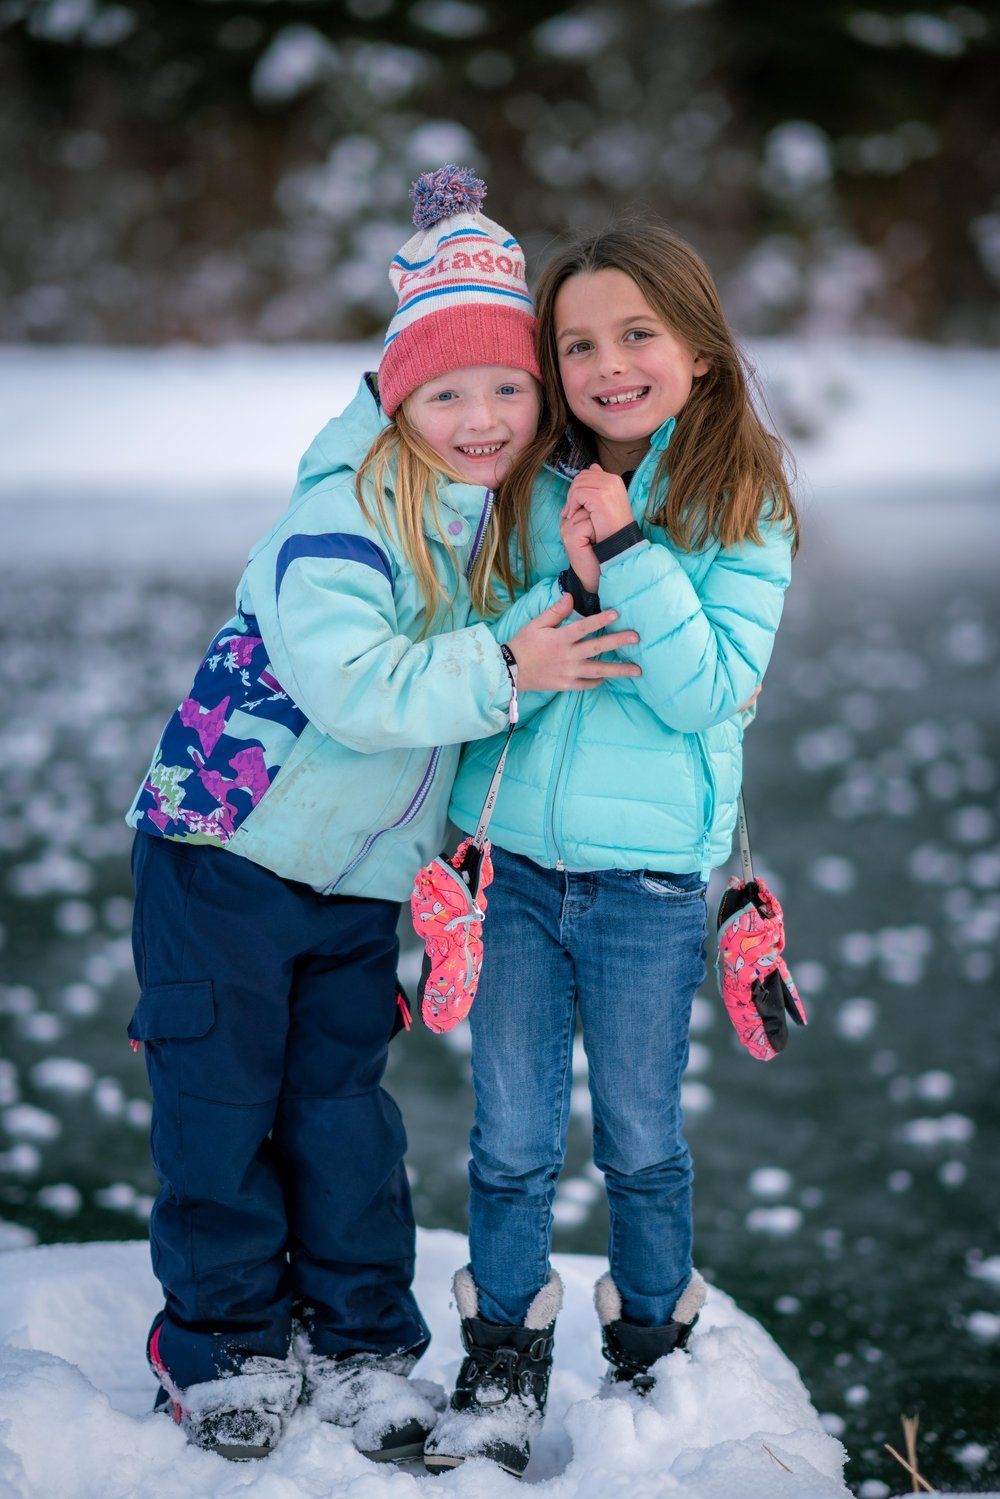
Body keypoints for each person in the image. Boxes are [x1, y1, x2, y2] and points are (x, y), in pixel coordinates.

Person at [124, 169, 641, 1464]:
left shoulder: (482, 518)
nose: (481, 414)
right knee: (220, 1098)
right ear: (395, 396)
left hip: (356, 878)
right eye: (448, 390)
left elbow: (493, 661)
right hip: (224, 854)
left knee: (342, 1107)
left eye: (507, 387)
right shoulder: (341, 513)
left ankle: (359, 1335)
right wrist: (510, 665)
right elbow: (356, 687)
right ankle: (220, 1332)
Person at [426, 222, 800, 1476]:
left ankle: (652, 1337)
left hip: (648, 885)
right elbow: (486, 653)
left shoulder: (741, 508)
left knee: (640, 1135)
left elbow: (705, 694)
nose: (607, 363)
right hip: (514, 866)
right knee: (513, 1135)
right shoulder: (519, 488)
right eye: (577, 341)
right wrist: (566, 583)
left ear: (697, 348)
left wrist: (632, 552)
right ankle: (502, 1355)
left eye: (636, 333)